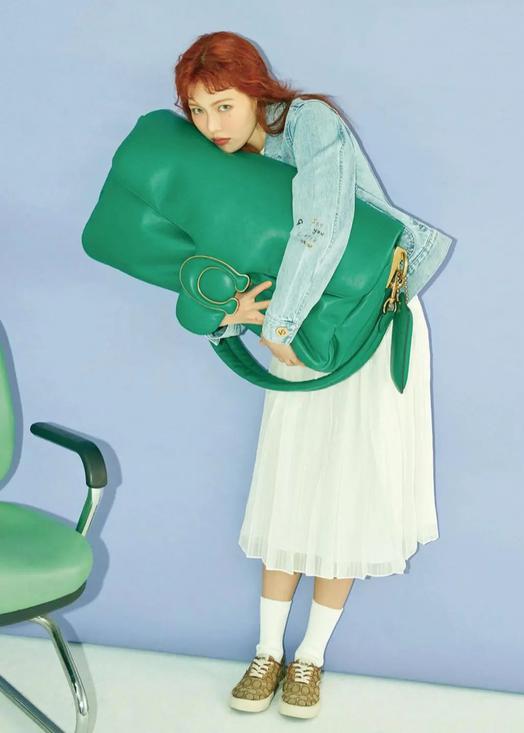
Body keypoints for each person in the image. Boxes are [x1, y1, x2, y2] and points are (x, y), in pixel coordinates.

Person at [174, 31, 452, 720]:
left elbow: (321, 226)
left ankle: (310, 657)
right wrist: (231, 315)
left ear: (255, 91)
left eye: (223, 105)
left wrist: (278, 327)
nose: (211, 125)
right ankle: (267, 650)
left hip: (367, 321)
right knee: (291, 481)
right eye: (197, 110)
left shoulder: (310, 124)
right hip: (297, 331)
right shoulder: (222, 161)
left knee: (349, 489)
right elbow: (211, 257)